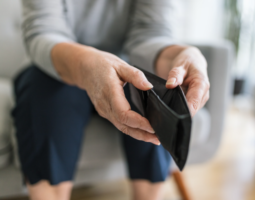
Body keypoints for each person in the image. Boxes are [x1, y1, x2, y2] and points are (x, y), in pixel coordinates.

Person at [13, 0, 210, 200]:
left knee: (152, 92)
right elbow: (44, 31)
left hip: (126, 67)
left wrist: (182, 54)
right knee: (48, 97)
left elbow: (150, 33)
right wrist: (87, 63)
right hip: (56, 66)